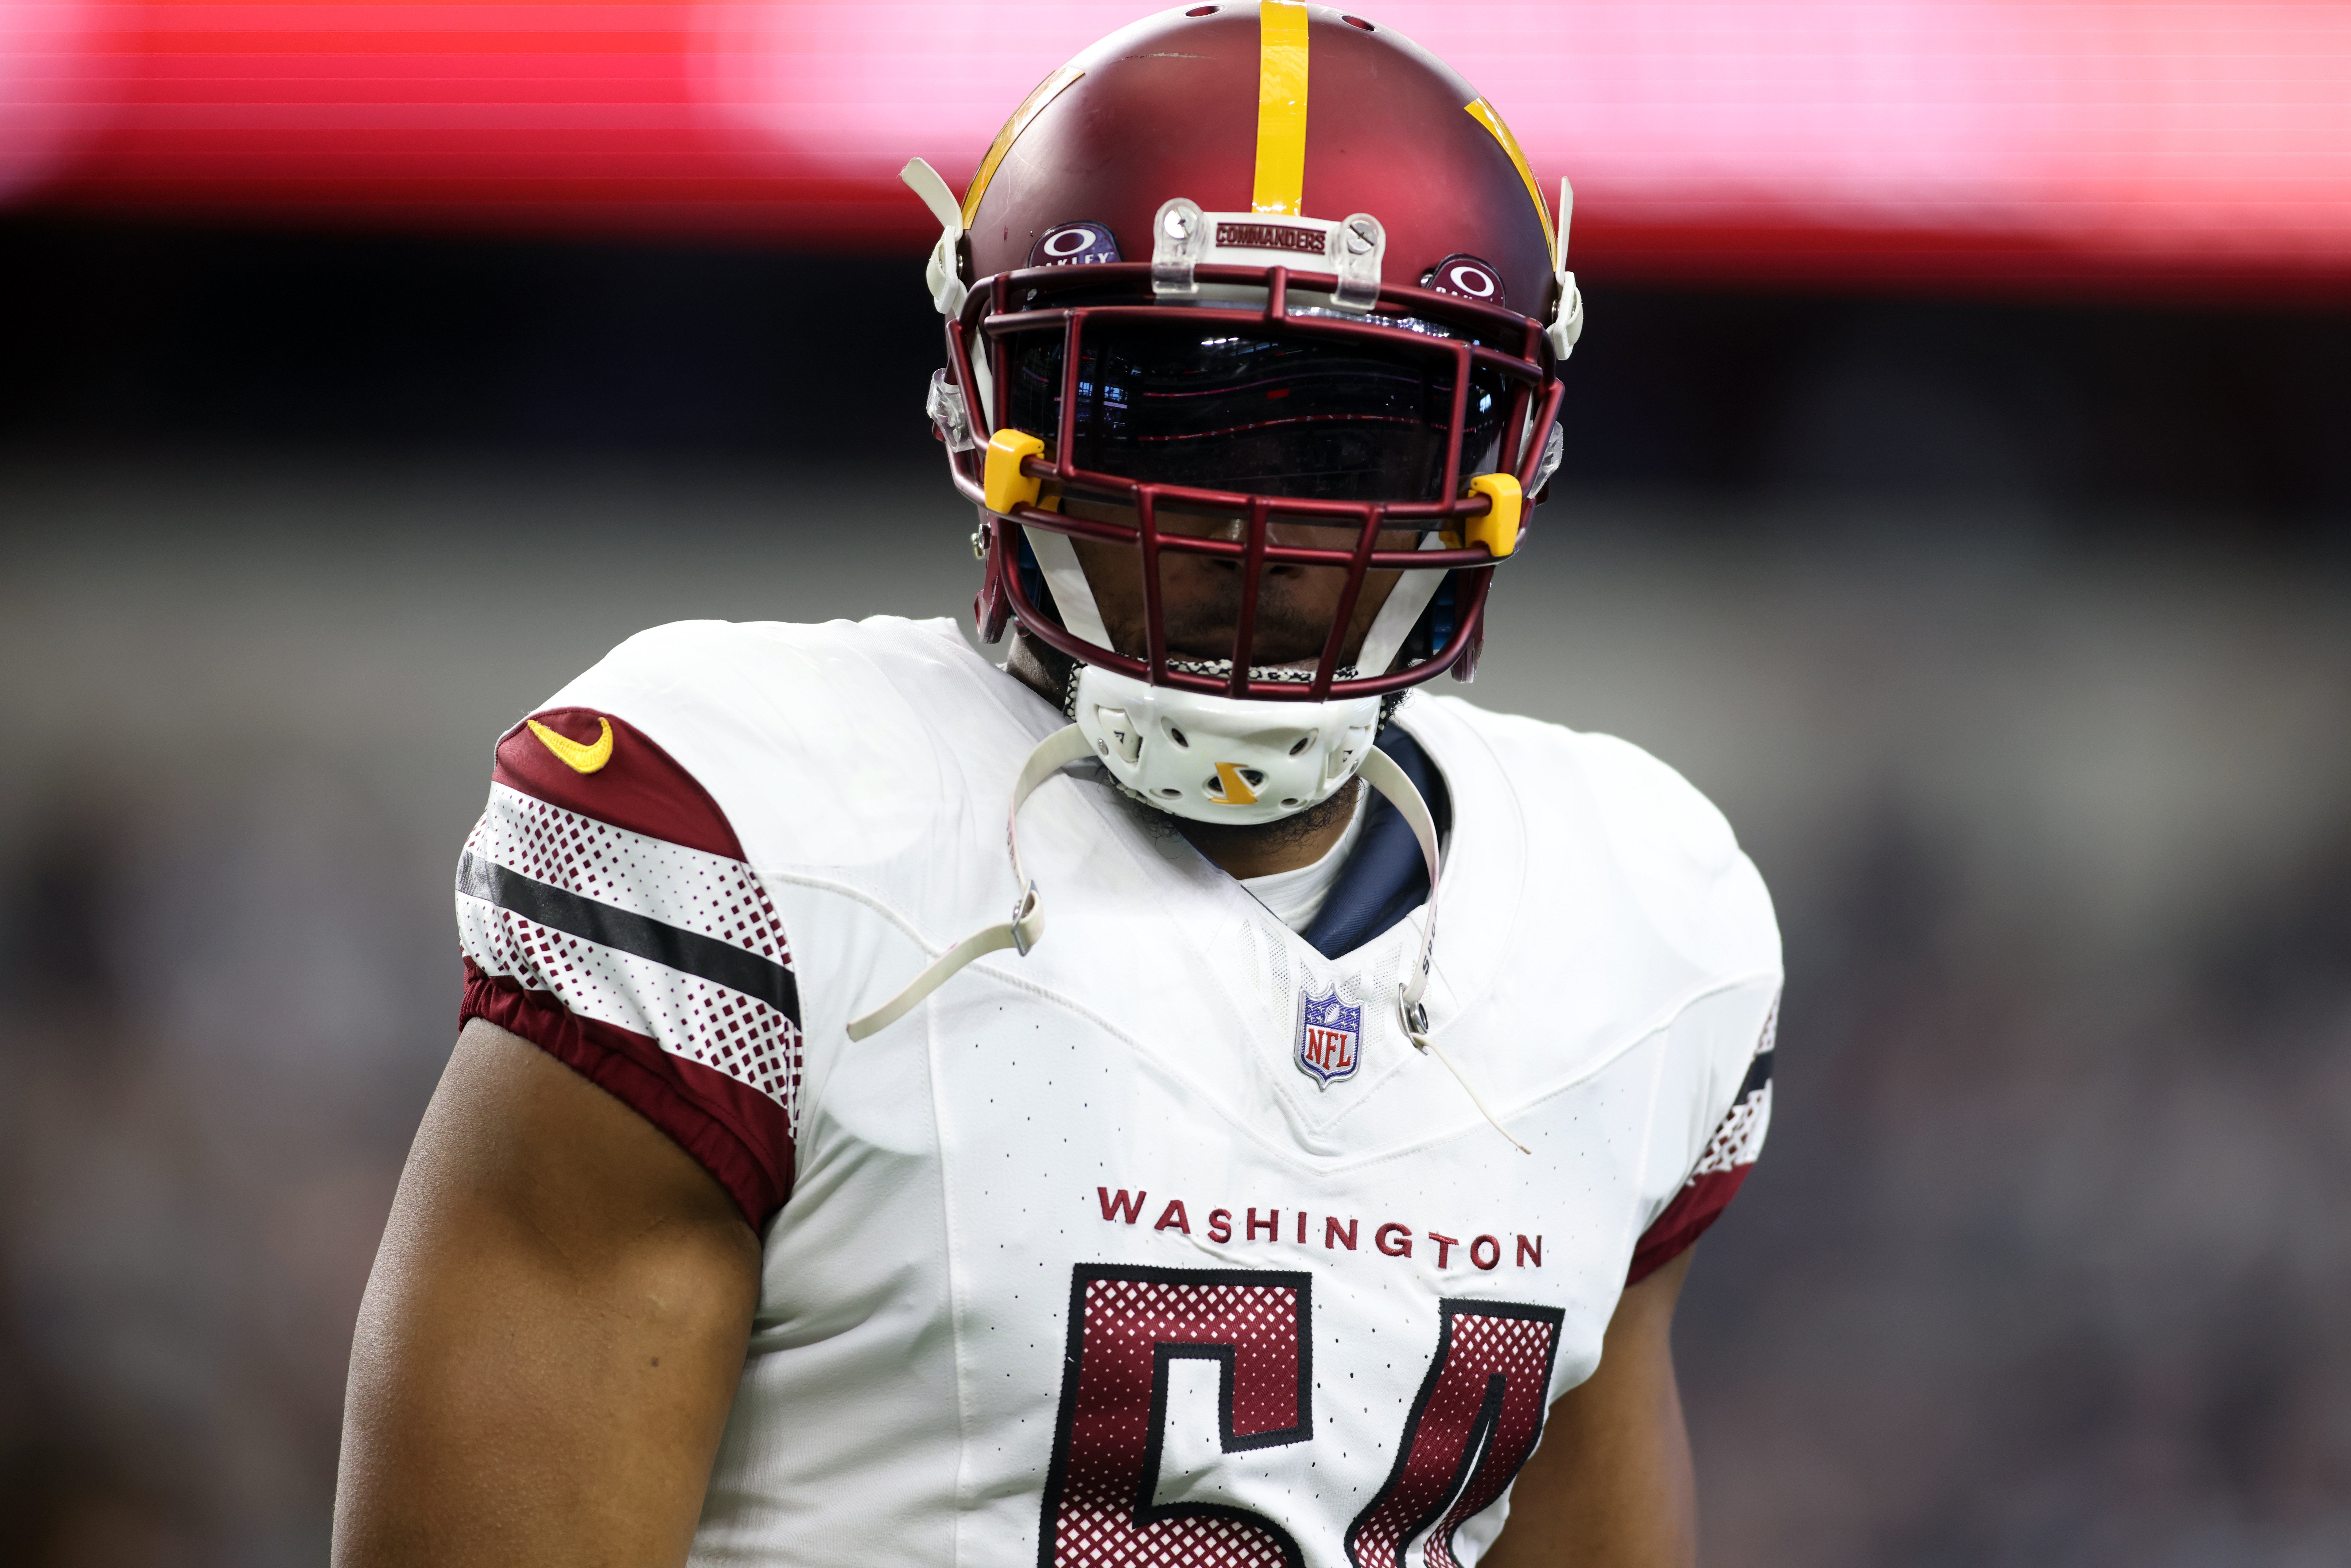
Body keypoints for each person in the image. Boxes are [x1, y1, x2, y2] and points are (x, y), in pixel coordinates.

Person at [332, 6, 1780, 1566]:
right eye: (1164, 403)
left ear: (1506, 453)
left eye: (1352, 430)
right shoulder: (747, 829)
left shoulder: (1639, 924)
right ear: (989, 405)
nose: (1251, 516)